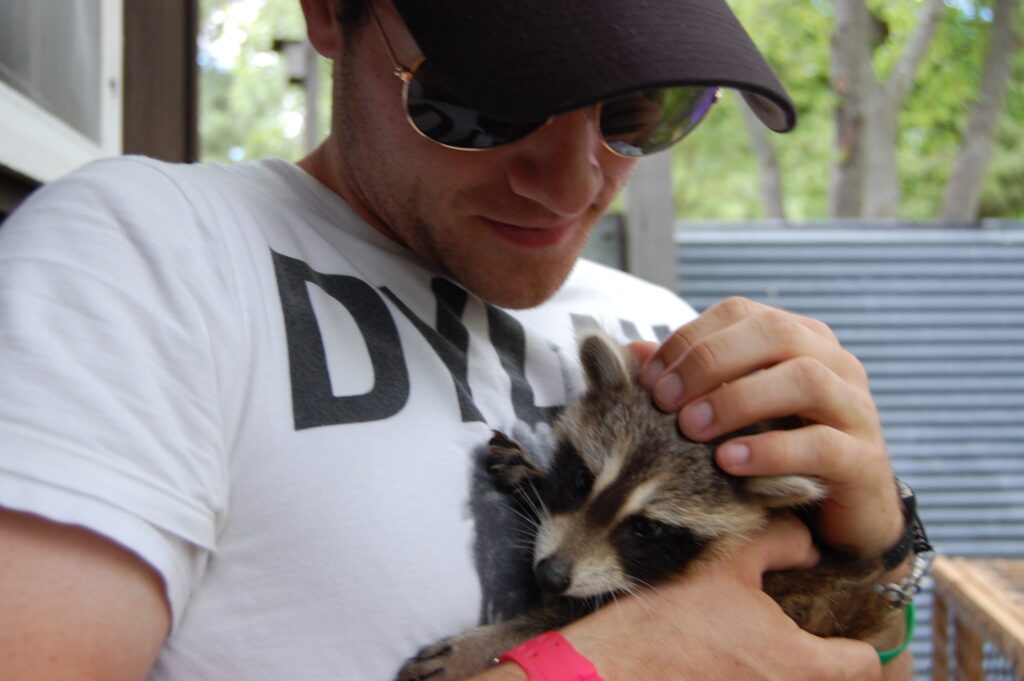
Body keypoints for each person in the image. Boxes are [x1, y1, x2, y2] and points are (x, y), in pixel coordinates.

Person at [0, 0, 927, 679]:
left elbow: (876, 655)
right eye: (493, 99)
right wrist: (580, 668)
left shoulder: (661, 333)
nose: (572, 186)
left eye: (637, 112)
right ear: (331, 16)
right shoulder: (148, 253)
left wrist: (879, 539)